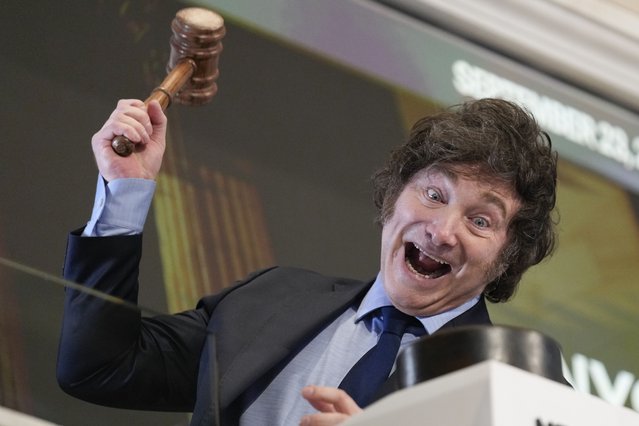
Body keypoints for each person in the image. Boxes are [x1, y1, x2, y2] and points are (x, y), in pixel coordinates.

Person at [57, 97, 558, 426]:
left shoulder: (524, 393)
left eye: (481, 221)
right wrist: (125, 191)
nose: (443, 230)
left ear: (507, 257)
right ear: (392, 198)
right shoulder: (273, 300)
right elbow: (101, 367)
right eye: (433, 193)